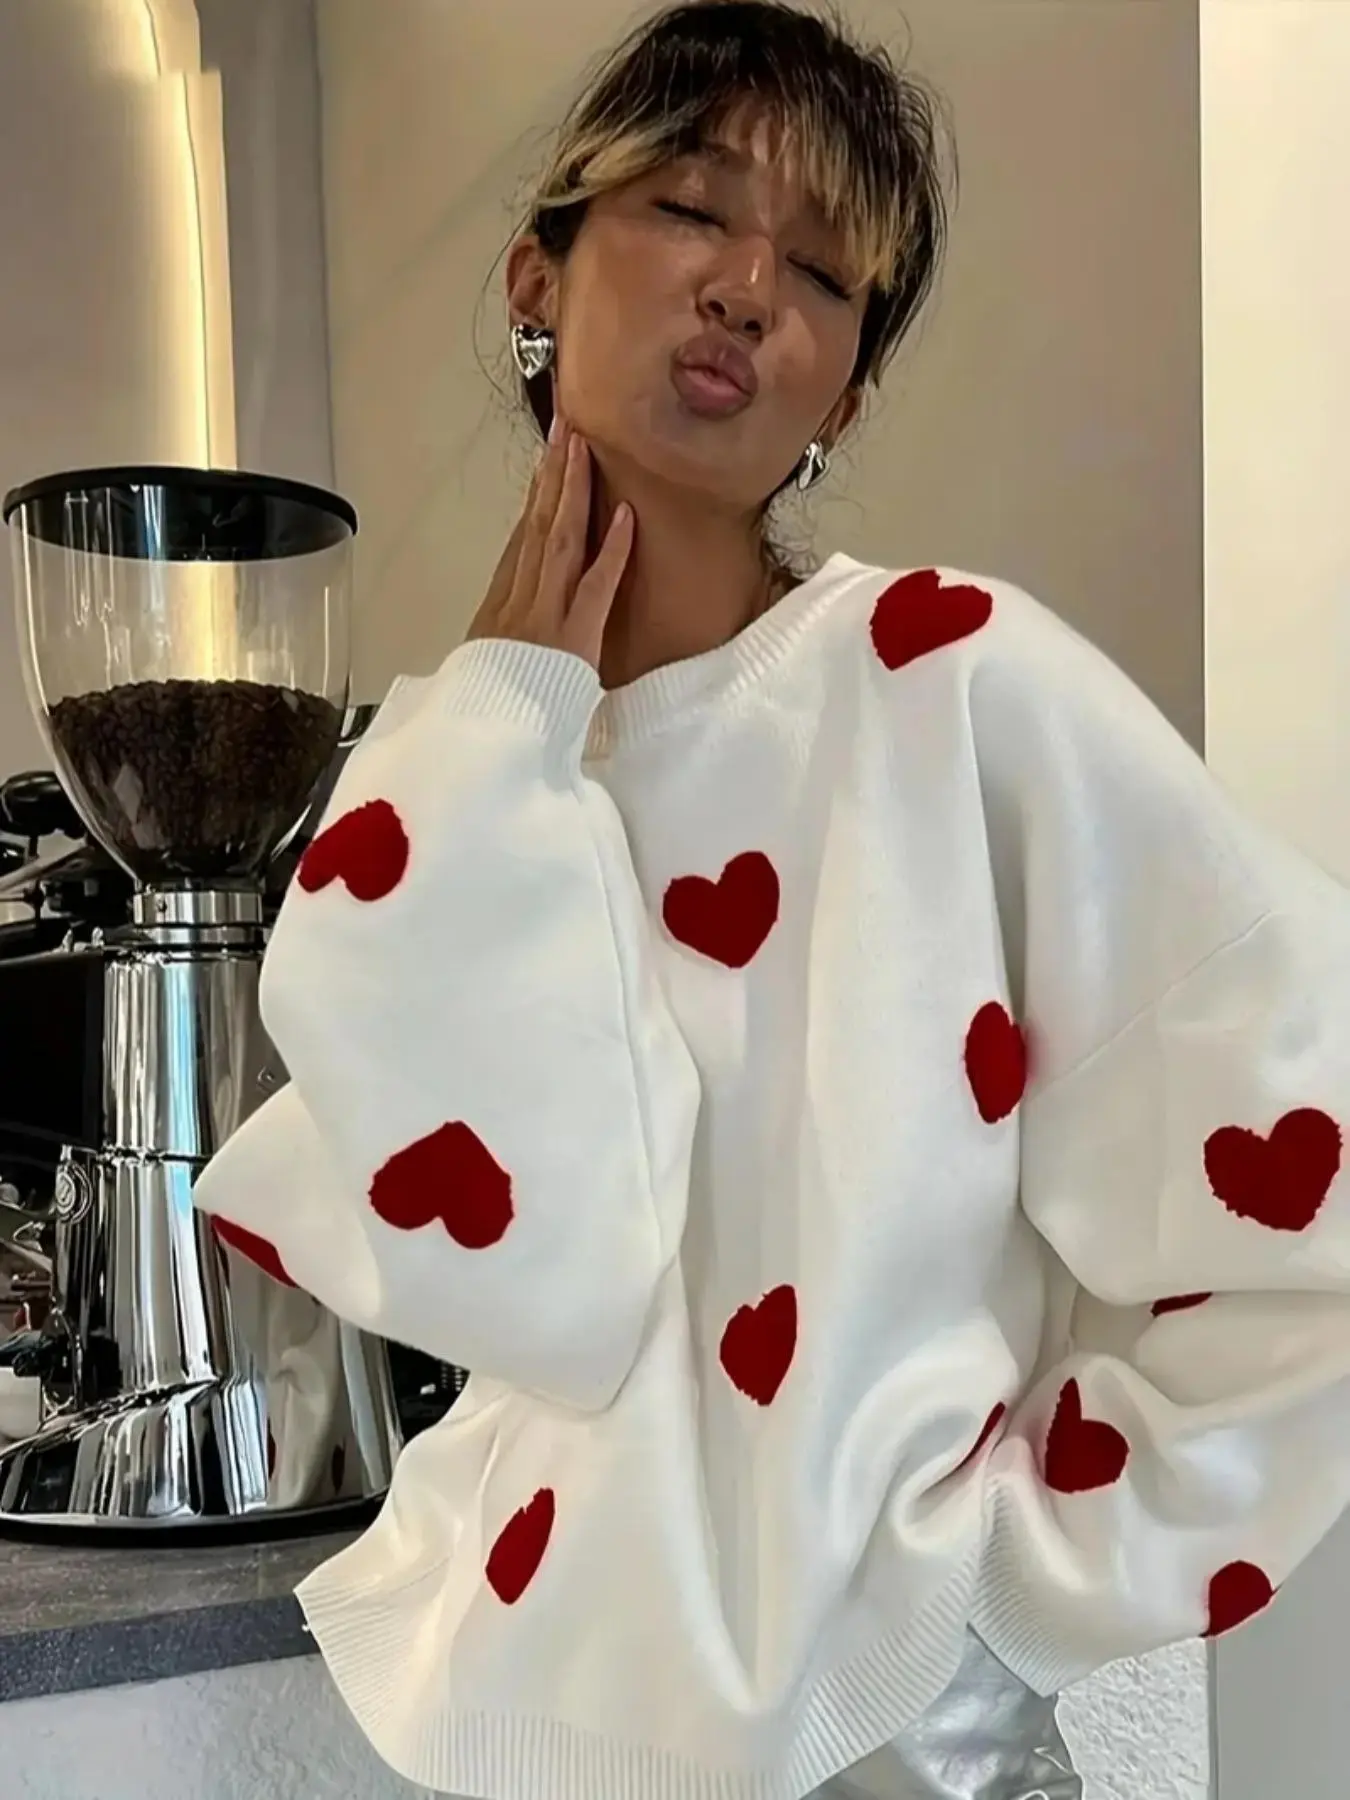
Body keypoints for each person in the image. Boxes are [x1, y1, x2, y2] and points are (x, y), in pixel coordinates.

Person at [194, 4, 1350, 1797]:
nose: (746, 289)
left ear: (847, 389)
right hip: (543, 1721)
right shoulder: (461, 771)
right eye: (687, 208)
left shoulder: (944, 680)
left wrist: (991, 1619)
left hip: (892, 1751)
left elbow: (1304, 1147)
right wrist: (501, 725)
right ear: (536, 271)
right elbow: (523, 1273)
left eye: (822, 272)